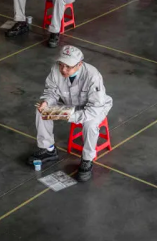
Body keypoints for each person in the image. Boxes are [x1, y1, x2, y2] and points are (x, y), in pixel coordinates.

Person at [27, 46, 113, 182]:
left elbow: (94, 109)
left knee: (90, 125)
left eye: (68, 67)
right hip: (70, 104)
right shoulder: (56, 69)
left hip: (94, 107)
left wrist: (71, 116)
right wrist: (46, 102)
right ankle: (48, 149)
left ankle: (87, 160)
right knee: (41, 112)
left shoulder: (93, 76)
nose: (63, 70)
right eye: (61, 65)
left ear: (79, 64)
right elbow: (51, 91)